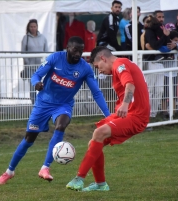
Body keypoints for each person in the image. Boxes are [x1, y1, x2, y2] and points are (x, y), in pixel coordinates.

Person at [0, 36, 110, 186]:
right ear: (67, 48)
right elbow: (36, 75)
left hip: (64, 105)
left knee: (61, 125)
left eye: (81, 51)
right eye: (75, 50)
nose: (78, 54)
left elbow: (96, 93)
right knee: (29, 139)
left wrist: (108, 116)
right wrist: (36, 83)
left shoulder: (85, 68)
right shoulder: (55, 58)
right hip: (43, 103)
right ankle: (9, 172)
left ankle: (45, 168)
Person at [66, 46, 150, 191]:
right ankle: (100, 184)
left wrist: (125, 104)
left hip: (136, 116)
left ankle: (79, 178)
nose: (99, 71)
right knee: (94, 141)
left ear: (103, 58)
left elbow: (130, 84)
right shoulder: (121, 65)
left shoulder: (119, 64)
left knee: (99, 134)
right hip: (127, 113)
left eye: (98, 67)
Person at [21, 19, 48, 104]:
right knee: (33, 85)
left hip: (41, 66)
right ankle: (35, 102)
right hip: (30, 66)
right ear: (29, 28)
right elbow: (23, 52)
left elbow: (46, 51)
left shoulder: (43, 38)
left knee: (43, 83)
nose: (33, 28)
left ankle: (43, 101)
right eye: (31, 27)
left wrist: (44, 64)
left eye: (34, 26)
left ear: (37, 27)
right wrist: (27, 63)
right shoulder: (26, 38)